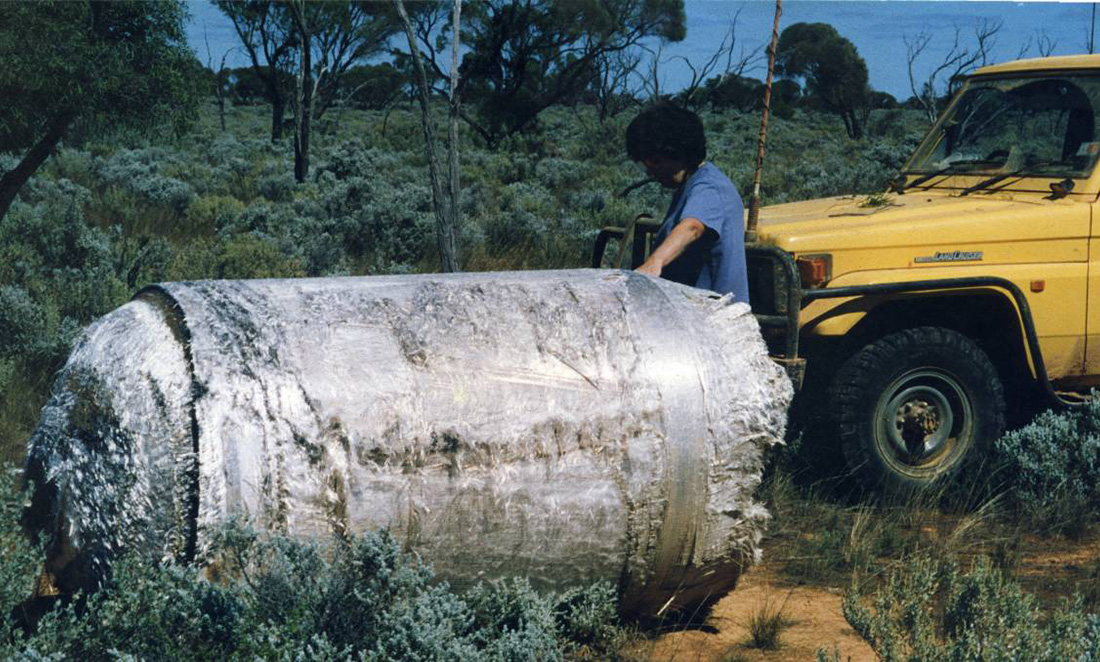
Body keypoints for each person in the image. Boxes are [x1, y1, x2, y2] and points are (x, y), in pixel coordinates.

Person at [626, 103, 749, 303]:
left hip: (712, 317)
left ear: (678, 152)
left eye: (656, 162)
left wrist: (654, 263)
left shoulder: (710, 187)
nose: (650, 172)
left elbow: (692, 227)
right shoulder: (689, 186)